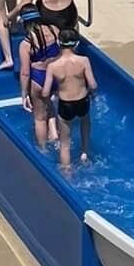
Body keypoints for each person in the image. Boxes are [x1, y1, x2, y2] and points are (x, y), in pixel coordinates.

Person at [44, 32, 98, 170]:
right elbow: (93, 85)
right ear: (77, 44)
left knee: (65, 144)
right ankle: (84, 152)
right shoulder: (84, 61)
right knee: (85, 120)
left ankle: (67, 171)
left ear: (58, 43)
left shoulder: (53, 66)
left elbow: (45, 92)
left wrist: (52, 96)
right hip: (82, 101)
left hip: (65, 104)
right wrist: (91, 94)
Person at [17, 11, 62, 152]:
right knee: (53, 106)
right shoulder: (54, 30)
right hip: (56, 74)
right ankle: (55, 135)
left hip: (39, 77)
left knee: (40, 118)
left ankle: (43, 150)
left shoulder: (26, 44)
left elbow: (25, 72)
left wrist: (24, 94)